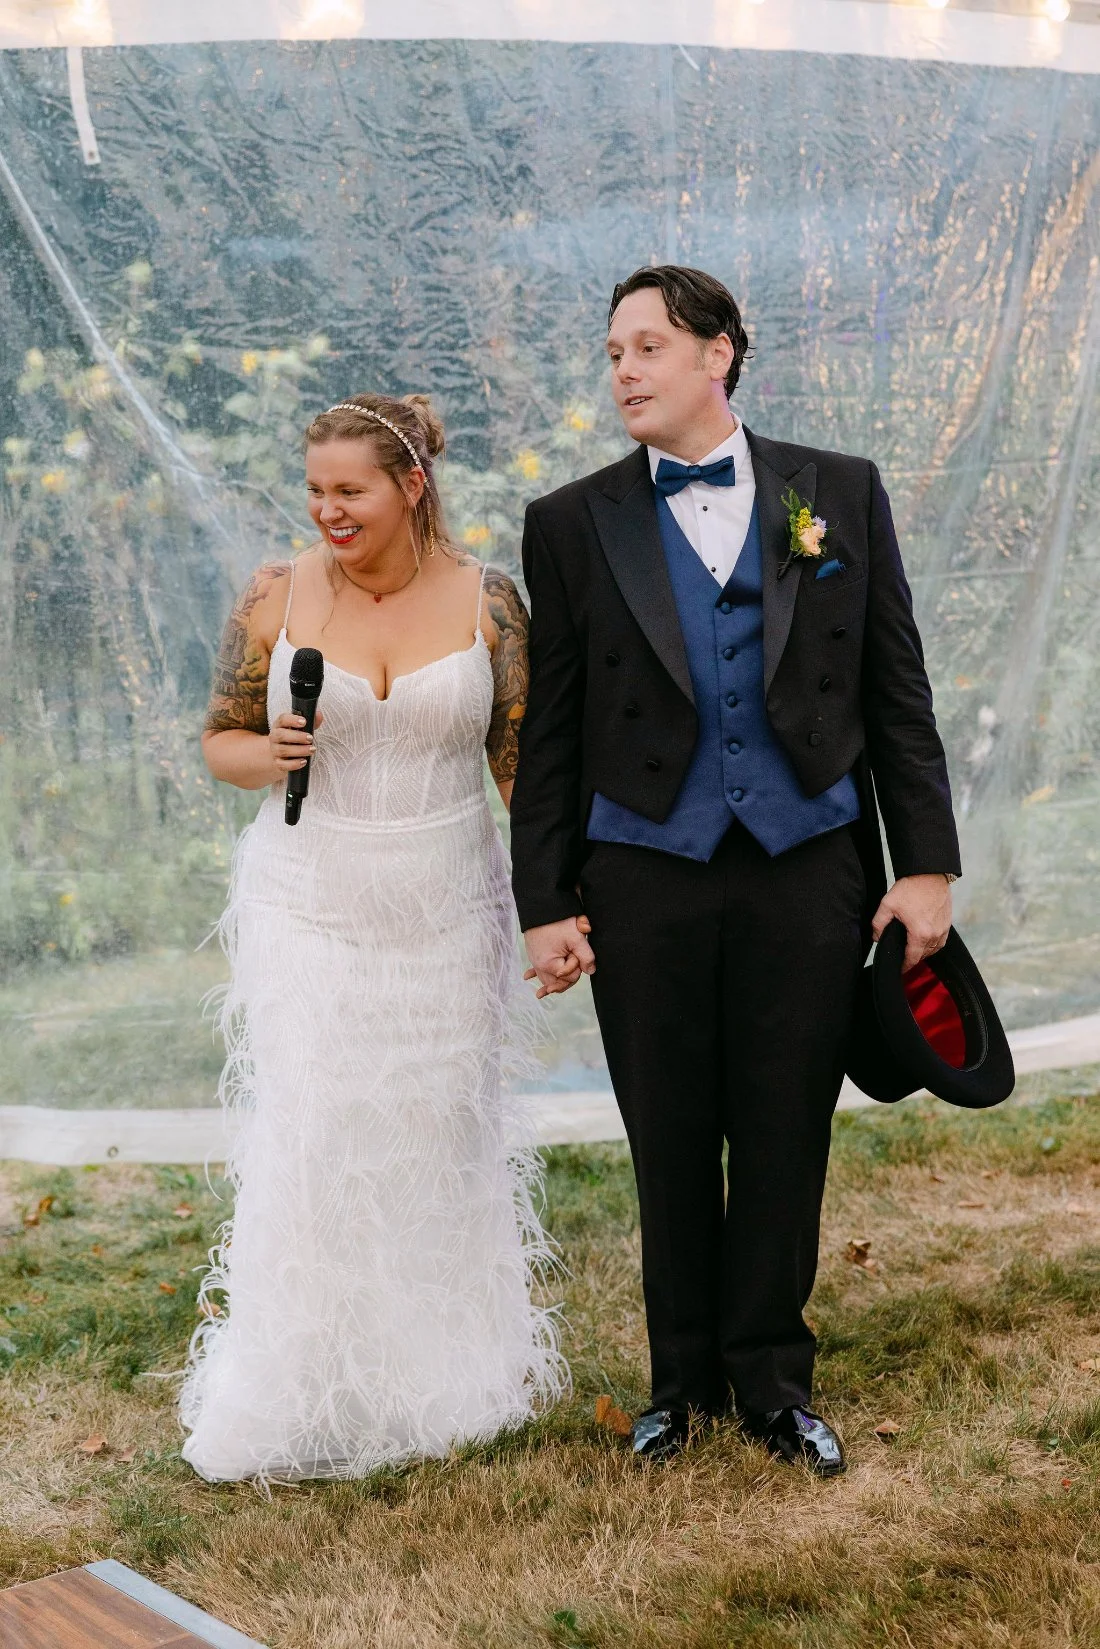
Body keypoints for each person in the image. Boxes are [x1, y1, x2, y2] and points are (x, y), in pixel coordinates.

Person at [510, 267, 960, 1476]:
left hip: (804, 861)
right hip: (643, 865)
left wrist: (924, 867)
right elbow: (550, 730)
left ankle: (770, 1379)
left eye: (646, 346)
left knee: (780, 1129)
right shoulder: (568, 521)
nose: (622, 371)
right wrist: (545, 899)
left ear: (719, 354)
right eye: (610, 352)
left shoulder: (837, 494)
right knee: (667, 1133)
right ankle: (678, 1382)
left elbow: (893, 691)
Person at [180, 392, 563, 1484]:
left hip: (447, 902)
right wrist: (274, 751)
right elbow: (221, 741)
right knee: (318, 1127)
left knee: (433, 1130)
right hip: (310, 898)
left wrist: (556, 902)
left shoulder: (490, 604)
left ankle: (433, 1383)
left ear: (411, 486)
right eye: (315, 491)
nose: (327, 510)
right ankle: (297, 1393)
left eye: (349, 490)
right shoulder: (274, 595)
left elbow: (519, 769)